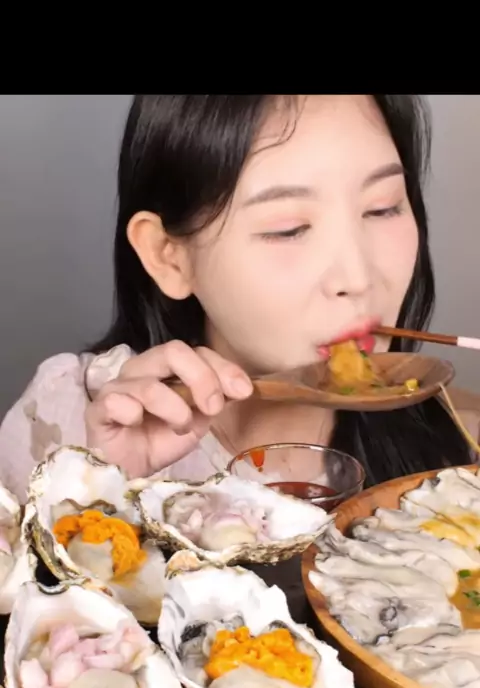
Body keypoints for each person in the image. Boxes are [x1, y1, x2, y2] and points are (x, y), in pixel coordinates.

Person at [0, 94, 476, 506]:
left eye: (383, 207)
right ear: (168, 256)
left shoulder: (461, 445)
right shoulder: (63, 423)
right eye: (288, 229)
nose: (357, 278)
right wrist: (105, 493)